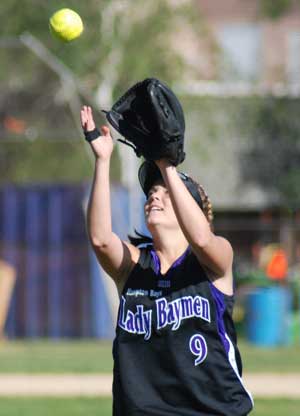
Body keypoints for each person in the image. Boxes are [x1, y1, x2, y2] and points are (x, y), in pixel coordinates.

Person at [81, 105, 254, 416]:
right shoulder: (135, 267)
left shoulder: (214, 261)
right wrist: (102, 160)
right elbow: (100, 239)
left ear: (193, 211)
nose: (154, 196)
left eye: (165, 192)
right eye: (151, 192)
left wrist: (167, 166)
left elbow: (201, 239)